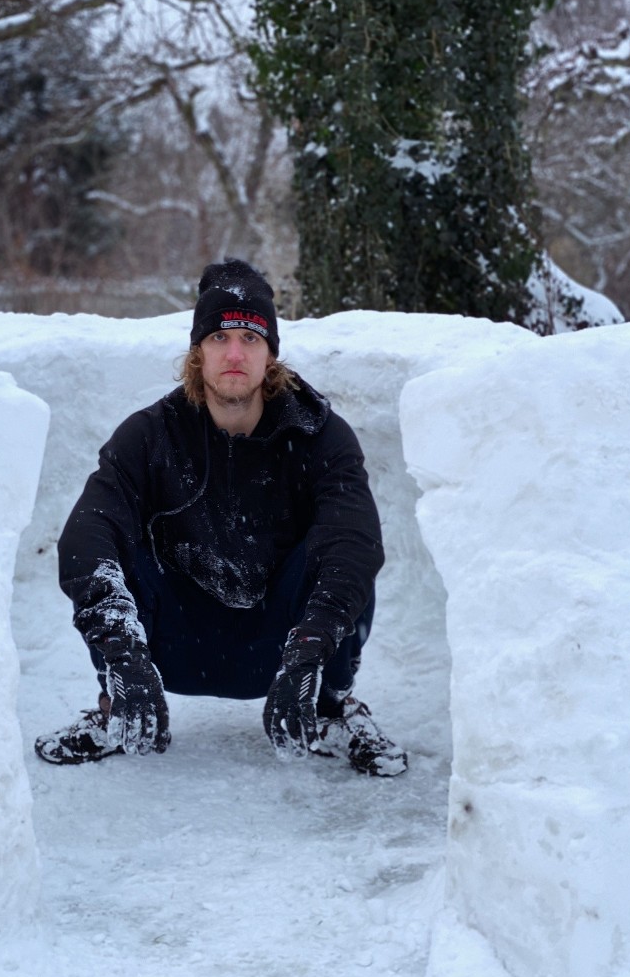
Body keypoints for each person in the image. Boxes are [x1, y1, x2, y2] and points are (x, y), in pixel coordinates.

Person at [35, 258, 407, 777]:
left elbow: (355, 538)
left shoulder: (320, 433)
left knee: (348, 551)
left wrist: (310, 647)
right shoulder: (148, 435)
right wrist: (122, 650)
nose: (235, 353)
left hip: (286, 652)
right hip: (169, 649)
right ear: (198, 351)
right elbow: (86, 536)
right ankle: (118, 706)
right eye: (220, 337)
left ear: (271, 353)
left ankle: (330, 712)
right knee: (108, 542)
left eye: (250, 339)